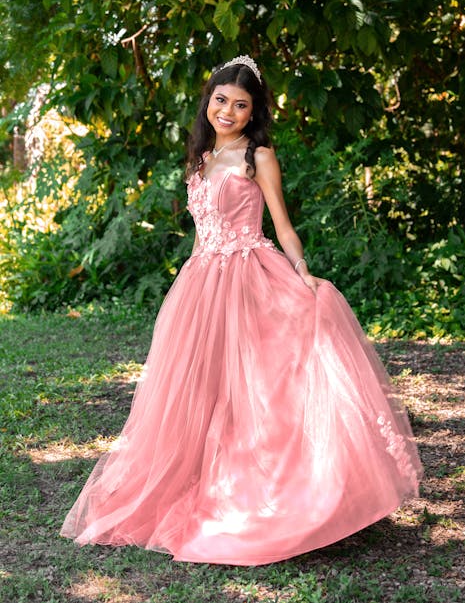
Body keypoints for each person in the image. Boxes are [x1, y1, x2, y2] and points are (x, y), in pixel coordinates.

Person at [60, 55, 423, 566]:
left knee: (260, 386)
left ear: (254, 113)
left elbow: (283, 225)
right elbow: (201, 233)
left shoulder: (260, 156)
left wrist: (302, 272)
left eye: (240, 105)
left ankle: (281, 493)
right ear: (208, 100)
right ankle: (203, 480)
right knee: (199, 387)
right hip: (202, 282)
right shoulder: (201, 157)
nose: (227, 110)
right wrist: (185, 291)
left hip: (251, 276)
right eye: (220, 100)